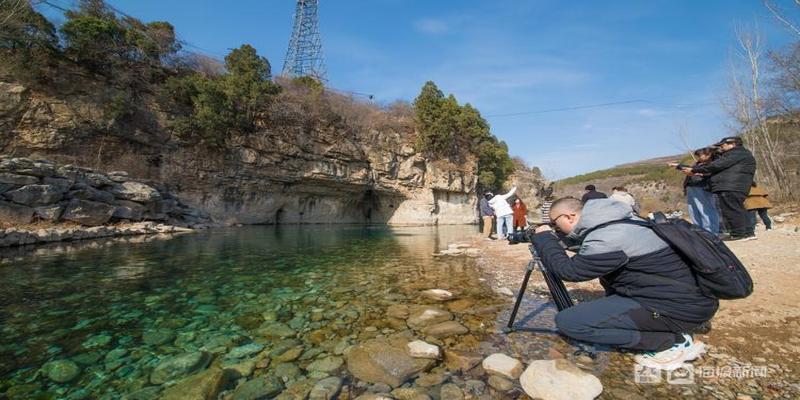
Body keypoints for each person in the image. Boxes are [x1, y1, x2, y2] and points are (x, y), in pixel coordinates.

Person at [532, 197, 716, 370]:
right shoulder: (623, 222)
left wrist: (545, 238)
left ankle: (671, 341)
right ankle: (677, 325)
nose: (555, 228)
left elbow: (569, 271)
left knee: (569, 322)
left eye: (555, 223)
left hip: (675, 307)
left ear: (569, 217)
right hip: (687, 298)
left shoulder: (608, 237)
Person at [682, 136, 756, 241]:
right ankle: (748, 232)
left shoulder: (734, 154)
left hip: (730, 186)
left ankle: (738, 233)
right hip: (735, 185)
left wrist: (693, 170)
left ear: (732, 144)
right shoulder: (740, 154)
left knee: (731, 210)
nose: (721, 147)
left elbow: (716, 166)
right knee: (738, 209)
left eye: (723, 145)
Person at [671, 147, 721, 235]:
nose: (699, 157)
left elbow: (706, 173)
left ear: (708, 154)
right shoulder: (699, 163)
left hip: (703, 187)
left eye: (700, 155)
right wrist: (678, 166)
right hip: (691, 187)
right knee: (694, 211)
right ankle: (700, 231)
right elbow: (691, 169)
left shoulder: (714, 163)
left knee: (706, 210)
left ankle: (711, 232)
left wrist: (696, 173)